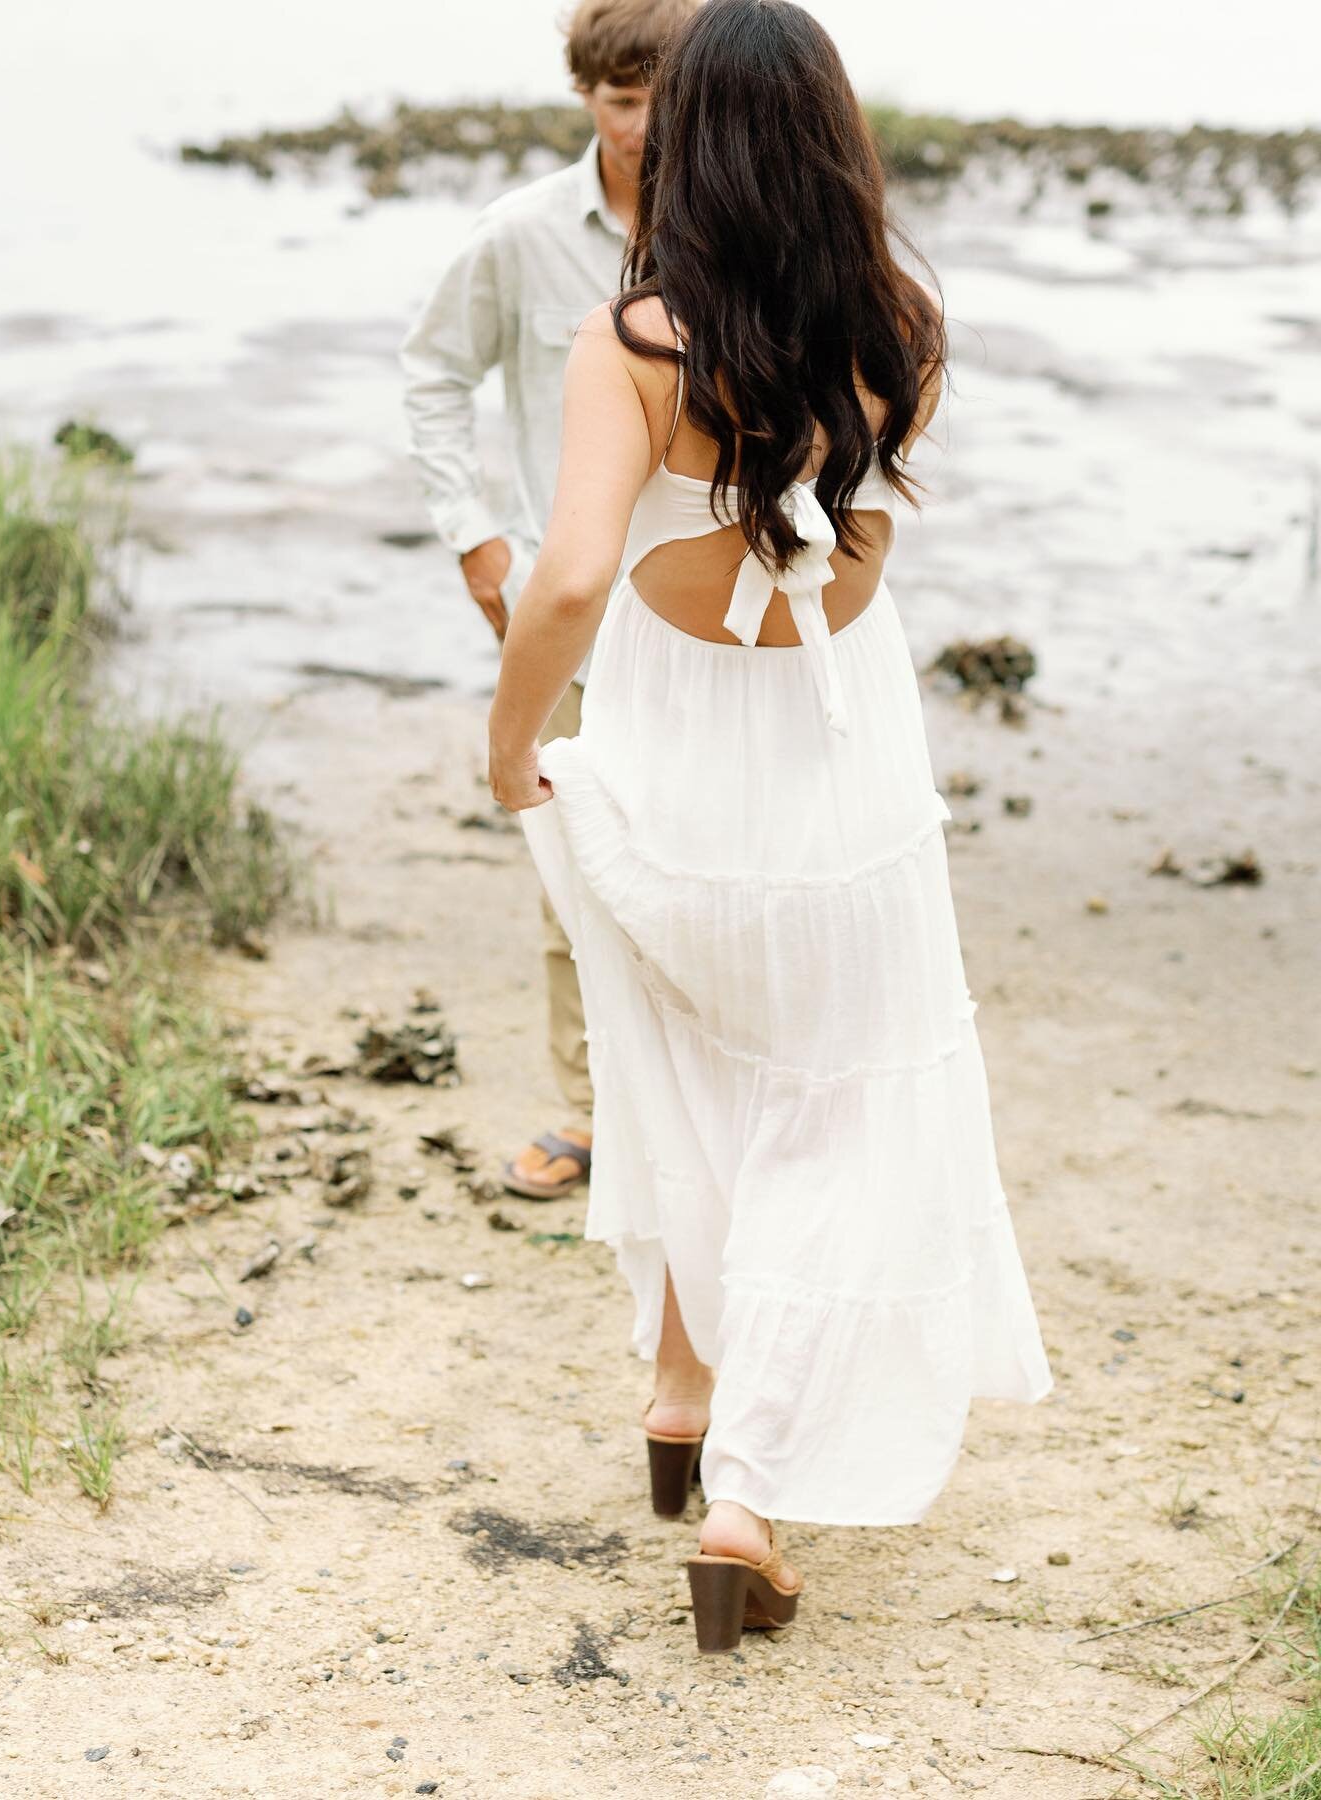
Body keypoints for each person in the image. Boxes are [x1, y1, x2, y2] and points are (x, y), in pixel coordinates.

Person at [487, 0, 1054, 1654]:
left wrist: (511, 736)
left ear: (687, 144)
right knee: (836, 1116)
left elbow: (579, 573)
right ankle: (737, 1479)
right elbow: (832, 549)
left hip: (673, 786)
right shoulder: (905, 327)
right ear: (832, 137)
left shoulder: (634, 343)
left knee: (676, 1080)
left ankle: (689, 1414)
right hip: (844, 794)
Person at [399, 0, 699, 1201]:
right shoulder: (518, 235)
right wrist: (473, 539)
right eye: (624, 101)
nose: (645, 125)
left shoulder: (733, 231)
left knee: (708, 852)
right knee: (575, 861)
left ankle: (701, 1097)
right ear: (586, 97)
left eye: (664, 98)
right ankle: (591, 1113)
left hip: (705, 608)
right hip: (567, 602)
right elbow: (433, 374)